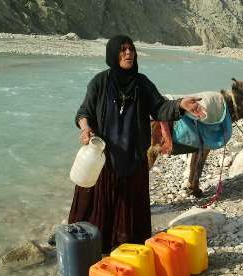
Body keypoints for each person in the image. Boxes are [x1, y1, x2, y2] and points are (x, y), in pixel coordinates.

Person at [68, 35, 205, 253]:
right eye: (122, 50)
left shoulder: (142, 84)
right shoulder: (100, 82)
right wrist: (85, 128)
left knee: (130, 213)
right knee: (94, 208)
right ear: (113, 54)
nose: (128, 53)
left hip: (133, 158)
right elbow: (84, 112)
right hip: (104, 158)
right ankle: (87, 248)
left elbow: (160, 108)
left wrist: (180, 105)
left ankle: (128, 251)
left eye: (131, 49)